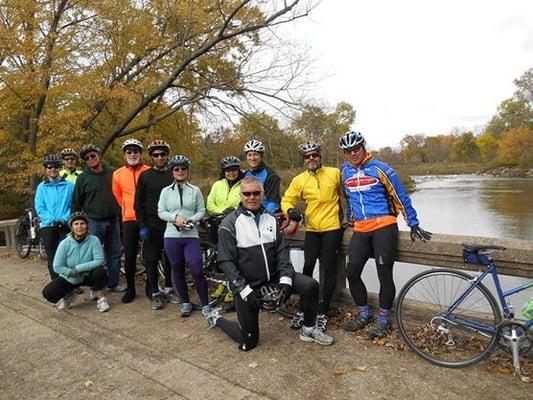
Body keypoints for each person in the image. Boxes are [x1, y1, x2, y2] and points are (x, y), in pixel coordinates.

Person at [205, 176, 334, 350]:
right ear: (241, 195)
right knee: (248, 342)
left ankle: (309, 329)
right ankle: (217, 319)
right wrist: (245, 291)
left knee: (310, 285)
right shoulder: (229, 224)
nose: (252, 197)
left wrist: (285, 283)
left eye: (256, 193)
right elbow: (225, 261)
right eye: (247, 193)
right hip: (248, 285)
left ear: (263, 194)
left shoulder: (271, 219)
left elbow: (282, 253)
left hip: (273, 277)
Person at [339, 131, 432, 339]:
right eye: (348, 151)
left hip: (384, 226)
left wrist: (413, 223)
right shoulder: (344, 172)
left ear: (364, 147)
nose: (353, 153)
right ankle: (364, 314)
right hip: (361, 229)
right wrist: (350, 218)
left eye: (356, 149)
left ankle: (383, 319)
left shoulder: (381, 169)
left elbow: (400, 196)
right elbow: (349, 198)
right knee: (352, 272)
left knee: (384, 275)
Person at [281, 140, 342, 332]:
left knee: (329, 269)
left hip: (332, 227)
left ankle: (323, 312)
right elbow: (287, 198)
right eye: (307, 156)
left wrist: (353, 217)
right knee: (307, 269)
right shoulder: (300, 179)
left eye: (314, 155)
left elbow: (348, 195)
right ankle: (303, 309)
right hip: (313, 229)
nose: (311, 158)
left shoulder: (334, 173)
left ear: (320, 156)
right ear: (304, 160)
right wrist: (290, 210)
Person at [157, 155, 210, 317]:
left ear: (187, 170)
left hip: (191, 235)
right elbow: (161, 212)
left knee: (196, 269)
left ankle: (205, 304)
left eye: (183, 168)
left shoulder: (195, 190)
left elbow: (202, 210)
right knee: (177, 268)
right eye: (176, 169)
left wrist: (192, 219)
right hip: (172, 236)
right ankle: (185, 302)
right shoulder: (166, 191)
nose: (180, 171)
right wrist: (175, 218)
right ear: (172, 171)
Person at [72, 144, 124, 293]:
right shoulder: (82, 178)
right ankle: (95, 286)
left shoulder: (113, 173)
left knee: (114, 253)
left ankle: (113, 284)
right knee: (92, 256)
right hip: (94, 222)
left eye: (93, 156)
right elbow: (76, 202)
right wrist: (75, 224)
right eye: (87, 158)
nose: (90, 159)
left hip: (113, 220)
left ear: (99, 156)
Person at [134, 139, 178, 310]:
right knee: (151, 260)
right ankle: (154, 293)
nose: (159, 157)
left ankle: (168, 287)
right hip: (152, 224)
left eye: (163, 154)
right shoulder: (145, 176)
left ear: (167, 156)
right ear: (151, 156)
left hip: (171, 224)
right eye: (156, 155)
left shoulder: (173, 174)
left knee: (170, 258)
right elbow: (138, 203)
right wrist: (142, 225)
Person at [42, 212, 110, 313]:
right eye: (76, 224)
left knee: (100, 271)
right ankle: (69, 295)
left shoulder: (94, 240)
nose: (79, 227)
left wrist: (78, 269)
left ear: (87, 226)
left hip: (88, 274)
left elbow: (99, 260)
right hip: (71, 277)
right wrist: (69, 271)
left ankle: (101, 299)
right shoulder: (64, 244)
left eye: (82, 223)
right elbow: (57, 266)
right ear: (72, 227)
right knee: (48, 293)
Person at [112, 138, 150, 303]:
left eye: (136, 151)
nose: (133, 154)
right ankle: (131, 289)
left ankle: (151, 287)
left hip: (148, 219)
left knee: (150, 255)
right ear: (125, 155)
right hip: (129, 219)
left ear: (140, 153)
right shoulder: (117, 174)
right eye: (129, 151)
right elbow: (118, 196)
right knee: (129, 256)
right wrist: (128, 208)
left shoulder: (149, 171)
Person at [34, 154, 75, 280]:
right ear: (46, 169)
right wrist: (52, 220)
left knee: (67, 257)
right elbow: (40, 207)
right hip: (48, 226)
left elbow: (73, 205)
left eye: (55, 167)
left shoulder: (69, 186)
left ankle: (70, 283)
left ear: (59, 168)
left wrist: (64, 219)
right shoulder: (41, 187)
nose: (53, 169)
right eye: (49, 167)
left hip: (65, 224)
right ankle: (56, 284)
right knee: (52, 257)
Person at [205, 155, 244, 243]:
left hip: (237, 223)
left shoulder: (244, 184)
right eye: (227, 170)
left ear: (238, 170)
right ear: (223, 171)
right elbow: (209, 204)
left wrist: (233, 211)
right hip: (216, 222)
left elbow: (246, 203)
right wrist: (223, 212)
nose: (231, 173)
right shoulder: (217, 184)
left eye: (234, 169)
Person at [243, 139, 281, 214]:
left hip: (265, 213)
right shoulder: (245, 174)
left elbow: (273, 202)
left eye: (255, 154)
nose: (252, 158)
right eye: (249, 155)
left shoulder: (271, 175)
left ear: (261, 156)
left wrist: (264, 216)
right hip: (249, 213)